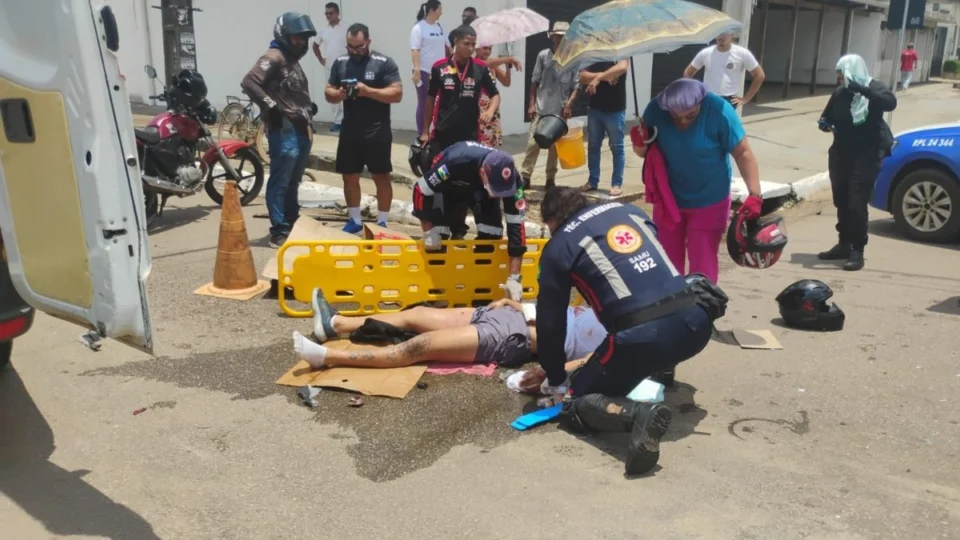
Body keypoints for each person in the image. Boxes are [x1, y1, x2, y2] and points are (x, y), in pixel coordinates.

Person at [527, 187, 720, 476]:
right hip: (697, 321)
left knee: (573, 403)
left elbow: (551, 322)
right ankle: (662, 369)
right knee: (653, 302)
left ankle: (637, 416)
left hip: (643, 337)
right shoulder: (630, 212)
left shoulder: (558, 247)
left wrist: (555, 378)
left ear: (552, 221)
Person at [634, 79, 762, 284]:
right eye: (676, 117)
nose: (683, 121)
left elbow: (743, 152)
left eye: (690, 115)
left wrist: (755, 195)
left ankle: (703, 307)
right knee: (667, 263)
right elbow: (643, 153)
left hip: (710, 198)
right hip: (668, 198)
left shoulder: (720, 111)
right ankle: (673, 308)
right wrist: (639, 141)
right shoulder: (655, 110)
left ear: (701, 104)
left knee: (702, 263)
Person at [294, 288, 607, 370]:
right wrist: (517, 305)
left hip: (516, 337)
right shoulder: (621, 308)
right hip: (512, 315)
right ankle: (335, 324)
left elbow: (590, 363)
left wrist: (551, 374)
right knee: (416, 315)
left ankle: (329, 357)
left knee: (422, 346)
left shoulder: (633, 342)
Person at [411, 140, 527, 301]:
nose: (497, 195)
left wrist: (515, 276)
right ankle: (437, 292)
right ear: (482, 172)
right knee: (438, 238)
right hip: (448, 187)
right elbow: (420, 189)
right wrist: (427, 229)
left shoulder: (512, 178)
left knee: (491, 236)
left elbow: (517, 224)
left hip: (479, 191)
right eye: (496, 189)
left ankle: (479, 293)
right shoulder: (455, 161)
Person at [242, 12, 317, 248]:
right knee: (281, 182)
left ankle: (292, 222)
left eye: (304, 39)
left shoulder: (290, 60)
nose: (301, 43)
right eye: (296, 38)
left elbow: (289, 92)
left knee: (293, 181)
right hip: (284, 132)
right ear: (284, 35)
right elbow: (249, 82)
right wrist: (270, 106)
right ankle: (279, 231)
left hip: (300, 130)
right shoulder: (274, 56)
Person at [817, 54, 896, 271]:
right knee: (841, 199)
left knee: (856, 202)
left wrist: (863, 90)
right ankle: (843, 244)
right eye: (838, 76)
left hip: (867, 154)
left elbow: (890, 103)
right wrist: (824, 124)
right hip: (842, 152)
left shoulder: (874, 88)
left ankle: (857, 250)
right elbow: (827, 116)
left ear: (852, 73)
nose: (840, 80)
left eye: (842, 75)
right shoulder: (840, 93)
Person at [325, 24, 403, 233]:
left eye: (359, 47)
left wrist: (367, 91)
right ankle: (355, 220)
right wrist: (341, 94)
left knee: (381, 176)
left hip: (377, 131)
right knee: (349, 176)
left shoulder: (384, 63)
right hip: (350, 130)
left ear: (368, 42)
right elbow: (328, 92)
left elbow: (397, 94)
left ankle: (383, 222)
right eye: (350, 46)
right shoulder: (341, 63)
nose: (354, 51)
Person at [420, 25, 499, 156]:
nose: (471, 49)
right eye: (466, 44)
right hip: (442, 134)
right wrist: (425, 131)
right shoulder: (439, 67)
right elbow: (430, 99)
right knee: (441, 173)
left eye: (474, 44)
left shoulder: (480, 68)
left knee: (466, 173)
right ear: (456, 41)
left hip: (469, 135)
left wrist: (490, 111)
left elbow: (495, 95)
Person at [522, 21, 579, 190]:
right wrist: (531, 104)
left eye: (563, 37)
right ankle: (525, 176)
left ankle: (550, 179)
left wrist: (569, 105)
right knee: (533, 144)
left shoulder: (573, 59)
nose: (559, 40)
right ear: (552, 37)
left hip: (559, 112)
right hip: (541, 109)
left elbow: (576, 86)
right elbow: (534, 81)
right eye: (557, 36)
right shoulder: (543, 56)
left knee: (554, 149)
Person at [579, 60, 629, 197]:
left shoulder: (620, 51)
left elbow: (623, 67)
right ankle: (593, 181)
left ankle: (616, 184)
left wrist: (597, 79)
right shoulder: (594, 55)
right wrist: (604, 76)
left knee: (617, 148)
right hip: (595, 109)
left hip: (615, 111)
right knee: (593, 147)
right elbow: (582, 77)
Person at [683, 32, 765, 109]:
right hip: (708, 98)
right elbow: (688, 73)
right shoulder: (705, 53)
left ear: (732, 34)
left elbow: (759, 75)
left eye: (724, 33)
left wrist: (746, 99)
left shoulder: (742, 53)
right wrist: (694, 93)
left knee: (724, 124)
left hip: (729, 100)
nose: (720, 36)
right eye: (718, 33)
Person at [411, 1, 450, 136]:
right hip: (424, 71)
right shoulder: (419, 28)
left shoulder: (439, 27)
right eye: (440, 9)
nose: (441, 12)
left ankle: (436, 132)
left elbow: (448, 46)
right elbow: (414, 50)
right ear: (433, 10)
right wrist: (416, 71)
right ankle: (422, 133)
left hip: (440, 72)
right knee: (425, 103)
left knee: (439, 103)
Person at [312, 2, 347, 132]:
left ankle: (348, 120)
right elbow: (315, 46)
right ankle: (337, 121)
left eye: (331, 13)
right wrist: (321, 59)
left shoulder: (347, 28)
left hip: (345, 66)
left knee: (347, 92)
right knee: (333, 94)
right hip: (329, 67)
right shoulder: (323, 31)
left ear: (338, 13)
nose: (328, 16)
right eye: (326, 13)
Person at [475, 43, 512, 148]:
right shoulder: (474, 62)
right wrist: (507, 59)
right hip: (479, 107)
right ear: (477, 49)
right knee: (480, 140)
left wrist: (507, 66)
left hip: (492, 106)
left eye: (490, 48)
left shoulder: (493, 65)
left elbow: (506, 82)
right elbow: (485, 64)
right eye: (484, 48)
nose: (487, 51)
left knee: (490, 141)